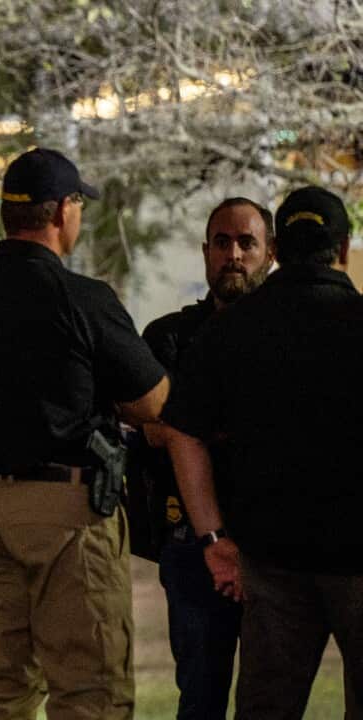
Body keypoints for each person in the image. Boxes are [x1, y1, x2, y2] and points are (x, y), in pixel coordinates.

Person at [0, 148, 169, 719]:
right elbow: (151, 401)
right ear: (61, 212)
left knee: (1, 686)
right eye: (77, 204)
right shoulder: (83, 298)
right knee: (89, 690)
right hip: (66, 511)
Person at [161, 186, 363, 719]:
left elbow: (183, 432)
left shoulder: (230, 332)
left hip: (272, 563)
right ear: (342, 247)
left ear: (278, 250)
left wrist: (213, 537)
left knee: (267, 709)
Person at [139, 198, 274, 719]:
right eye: (222, 243)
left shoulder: (285, 335)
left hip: (276, 546)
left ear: (271, 254)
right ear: (205, 252)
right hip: (193, 545)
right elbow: (154, 428)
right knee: (200, 695)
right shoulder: (170, 338)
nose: (233, 255)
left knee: (273, 699)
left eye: (247, 243)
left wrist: (190, 428)